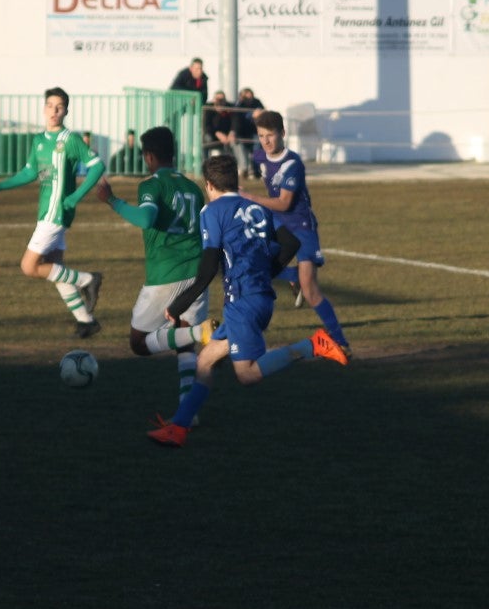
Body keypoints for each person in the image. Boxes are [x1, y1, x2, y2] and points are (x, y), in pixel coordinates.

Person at [146, 154, 349, 448]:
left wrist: (176, 306)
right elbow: (291, 243)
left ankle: (313, 345)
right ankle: (179, 426)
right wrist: (266, 273)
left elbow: (206, 271)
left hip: (243, 301)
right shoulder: (256, 206)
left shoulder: (212, 212)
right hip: (254, 297)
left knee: (248, 375)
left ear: (209, 184)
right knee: (205, 360)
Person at [94, 126, 215, 412]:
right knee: (184, 343)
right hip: (197, 272)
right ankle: (187, 411)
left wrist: (112, 200)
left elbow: (146, 219)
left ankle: (201, 333)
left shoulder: (151, 185)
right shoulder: (193, 187)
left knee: (139, 343)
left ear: (149, 156)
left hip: (165, 273)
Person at [0, 86, 107, 338]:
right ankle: (86, 321)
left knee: (29, 266)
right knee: (54, 268)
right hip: (46, 210)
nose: (54, 111)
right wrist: (0, 185)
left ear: (66, 111)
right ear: (44, 109)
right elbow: (30, 172)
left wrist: (76, 196)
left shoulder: (70, 140)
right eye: (50, 105)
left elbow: (97, 166)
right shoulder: (38, 141)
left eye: (59, 107)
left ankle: (88, 280)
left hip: (57, 212)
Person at [243, 110, 352, 352]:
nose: (266, 141)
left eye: (270, 135)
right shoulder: (259, 156)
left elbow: (284, 203)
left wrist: (249, 197)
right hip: (276, 224)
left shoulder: (293, 164)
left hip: (301, 226)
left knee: (311, 290)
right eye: (261, 136)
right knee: (255, 268)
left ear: (283, 133)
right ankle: (292, 278)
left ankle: (340, 341)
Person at [234, 88, 264, 178]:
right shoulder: (239, 104)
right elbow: (236, 118)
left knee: (258, 146)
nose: (249, 99)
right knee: (239, 147)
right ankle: (244, 170)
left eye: (250, 97)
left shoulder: (257, 102)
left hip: (255, 132)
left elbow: (262, 112)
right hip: (242, 133)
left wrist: (259, 113)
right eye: (246, 97)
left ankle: (256, 170)